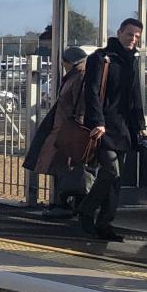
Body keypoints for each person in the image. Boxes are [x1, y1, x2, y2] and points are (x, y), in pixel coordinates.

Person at [79, 17, 147, 240]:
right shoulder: (101, 58)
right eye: (130, 34)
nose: (133, 39)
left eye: (137, 36)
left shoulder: (132, 59)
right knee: (111, 171)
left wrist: (140, 125)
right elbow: (91, 92)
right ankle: (86, 209)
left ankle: (105, 223)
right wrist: (97, 121)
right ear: (119, 33)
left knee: (116, 179)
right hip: (104, 126)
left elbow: (135, 93)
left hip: (125, 127)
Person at [26, 46, 89, 213]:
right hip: (63, 129)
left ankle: (67, 202)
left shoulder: (79, 77)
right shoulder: (73, 77)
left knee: (65, 165)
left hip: (69, 130)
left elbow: (80, 106)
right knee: (60, 165)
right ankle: (63, 201)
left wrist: (78, 128)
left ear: (69, 63)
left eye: (64, 63)